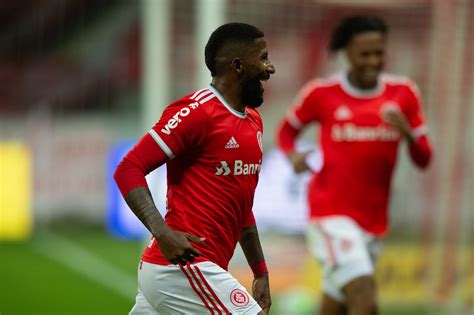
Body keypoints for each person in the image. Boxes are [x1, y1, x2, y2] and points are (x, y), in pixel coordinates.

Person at [114, 22, 275, 314]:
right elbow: (128, 168)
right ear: (238, 66)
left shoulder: (253, 121)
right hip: (181, 267)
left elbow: (240, 201)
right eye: (262, 58)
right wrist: (162, 232)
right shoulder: (196, 112)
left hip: (185, 271)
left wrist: (259, 270)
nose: (269, 68)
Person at [276, 15, 432, 315]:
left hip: (373, 221)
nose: (373, 61)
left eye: (379, 53)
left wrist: (408, 134)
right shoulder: (320, 94)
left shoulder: (404, 93)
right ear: (346, 53)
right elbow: (286, 132)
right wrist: (292, 154)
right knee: (365, 299)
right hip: (329, 214)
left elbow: (424, 159)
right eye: (364, 54)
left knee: (337, 305)